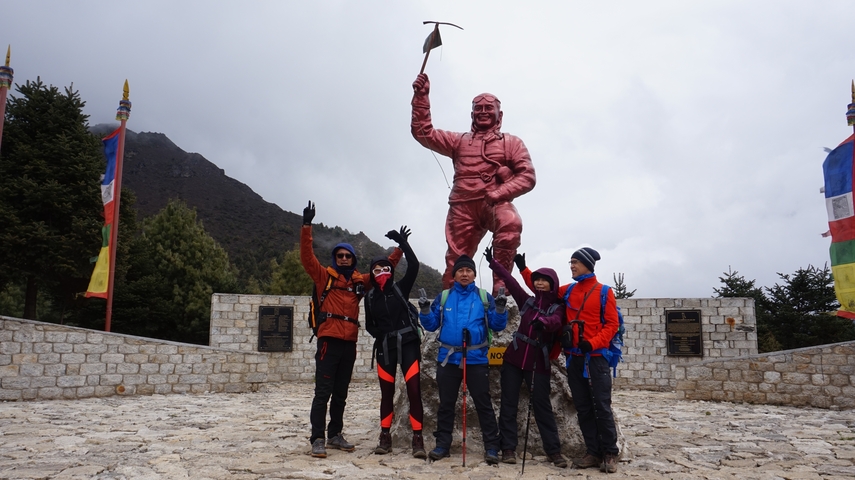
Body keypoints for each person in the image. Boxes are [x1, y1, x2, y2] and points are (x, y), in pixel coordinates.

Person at [410, 73, 536, 295]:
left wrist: (500, 192)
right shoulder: (458, 141)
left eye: (489, 108)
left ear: (500, 114)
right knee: (456, 259)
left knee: (510, 224)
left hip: (494, 202)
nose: (484, 112)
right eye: (479, 108)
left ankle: (501, 285)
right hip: (462, 206)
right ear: (472, 114)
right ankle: (451, 298)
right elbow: (423, 132)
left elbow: (527, 177)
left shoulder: (511, 143)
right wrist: (421, 96)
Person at [300, 200, 401, 458]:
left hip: (349, 343)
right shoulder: (325, 277)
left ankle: (335, 434)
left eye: (348, 256)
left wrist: (401, 248)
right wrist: (306, 226)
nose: (344, 259)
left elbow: (384, 269)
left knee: (341, 392)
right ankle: (317, 438)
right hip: (328, 341)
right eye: (340, 256)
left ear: (353, 259)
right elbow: (306, 257)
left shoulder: (359, 281)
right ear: (335, 258)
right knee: (323, 392)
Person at [418, 254, 508, 464]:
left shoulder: (485, 297)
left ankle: (492, 448)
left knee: (483, 403)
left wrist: (501, 309)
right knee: (446, 404)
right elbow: (431, 325)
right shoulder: (445, 297)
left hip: (476, 358)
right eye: (461, 271)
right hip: (448, 359)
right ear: (454, 275)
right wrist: (424, 310)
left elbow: (496, 325)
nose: (465, 274)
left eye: (468, 270)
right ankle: (442, 445)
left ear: (474, 274)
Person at [536, 247, 620, 473]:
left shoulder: (604, 292)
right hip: (574, 359)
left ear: (587, 265)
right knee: (583, 407)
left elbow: (612, 325)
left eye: (575, 262)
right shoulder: (569, 290)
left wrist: (592, 343)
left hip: (596, 358)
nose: (571, 266)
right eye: (570, 262)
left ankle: (610, 452)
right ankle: (593, 451)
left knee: (601, 405)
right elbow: (544, 288)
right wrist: (524, 270)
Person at [485, 247, 567, 468]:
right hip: (514, 359)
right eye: (537, 280)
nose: (539, 283)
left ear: (553, 284)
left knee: (542, 406)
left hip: (537, 363)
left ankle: (554, 451)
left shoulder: (557, 308)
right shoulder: (527, 301)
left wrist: (544, 323)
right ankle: (508, 448)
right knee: (508, 404)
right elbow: (511, 283)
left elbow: (556, 322)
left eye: (544, 280)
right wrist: (494, 263)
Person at [364, 225, 426, 459]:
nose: (381, 272)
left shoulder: (401, 288)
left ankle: (418, 438)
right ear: (372, 273)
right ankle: (385, 436)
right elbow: (370, 325)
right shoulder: (370, 298)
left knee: (414, 390)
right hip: (385, 349)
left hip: (408, 344)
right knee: (386, 393)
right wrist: (380, 335)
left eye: (385, 268)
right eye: (376, 270)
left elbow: (415, 266)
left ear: (391, 270)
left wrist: (402, 243)